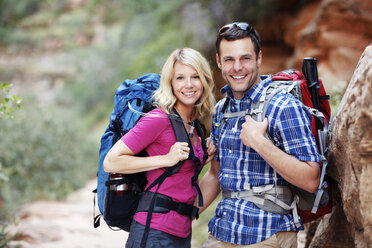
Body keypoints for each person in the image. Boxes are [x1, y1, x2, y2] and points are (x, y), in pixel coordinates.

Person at [199, 22, 321, 247]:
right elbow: (215, 175)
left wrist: (259, 143)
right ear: (219, 62)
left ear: (259, 58)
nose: (237, 67)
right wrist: (181, 214)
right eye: (229, 60)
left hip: (268, 234)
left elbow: (311, 179)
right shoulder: (221, 110)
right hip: (221, 233)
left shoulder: (283, 106)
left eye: (245, 58)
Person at [103, 47, 216, 248]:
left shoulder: (194, 126)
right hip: (153, 232)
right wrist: (166, 159)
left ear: (204, 81)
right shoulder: (159, 119)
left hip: (181, 233)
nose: (189, 85)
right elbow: (111, 161)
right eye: (180, 78)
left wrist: (202, 157)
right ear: (170, 83)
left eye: (195, 77)